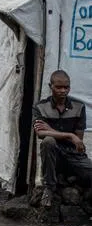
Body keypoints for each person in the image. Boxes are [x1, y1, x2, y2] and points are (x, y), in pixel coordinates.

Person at [32, 70, 92, 208]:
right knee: (48, 142)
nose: (63, 91)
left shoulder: (78, 107)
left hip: (74, 155)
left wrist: (51, 130)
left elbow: (78, 140)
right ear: (50, 86)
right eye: (58, 87)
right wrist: (69, 135)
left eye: (66, 87)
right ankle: (49, 188)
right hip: (55, 155)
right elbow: (41, 134)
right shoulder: (41, 106)